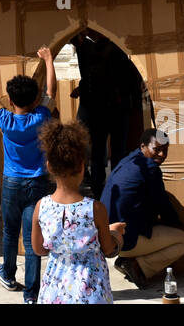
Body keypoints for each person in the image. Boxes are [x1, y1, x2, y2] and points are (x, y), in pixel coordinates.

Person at [0, 44, 56, 301]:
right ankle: (31, 294)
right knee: (31, 237)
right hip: (38, 183)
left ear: (11, 100)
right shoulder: (42, 118)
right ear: (35, 100)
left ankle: (8, 273)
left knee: (9, 231)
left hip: (12, 182)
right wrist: (48, 59)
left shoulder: (4, 120)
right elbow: (51, 91)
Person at [32, 119, 125, 304]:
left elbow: (38, 249)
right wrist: (115, 233)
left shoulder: (41, 207)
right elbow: (108, 248)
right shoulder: (95, 209)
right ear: (82, 167)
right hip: (90, 291)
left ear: (49, 166)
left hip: (55, 290)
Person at [104, 128, 184, 290]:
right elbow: (164, 207)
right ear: (143, 146)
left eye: (165, 150)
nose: (161, 155)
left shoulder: (128, 160)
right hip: (123, 241)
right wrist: (183, 227)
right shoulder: (150, 168)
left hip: (108, 236)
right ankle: (138, 265)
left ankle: (129, 259)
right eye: (157, 149)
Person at [72, 33, 132, 197]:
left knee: (101, 150)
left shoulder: (93, 49)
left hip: (104, 107)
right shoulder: (110, 49)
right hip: (108, 107)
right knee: (109, 150)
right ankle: (108, 186)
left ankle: (101, 187)